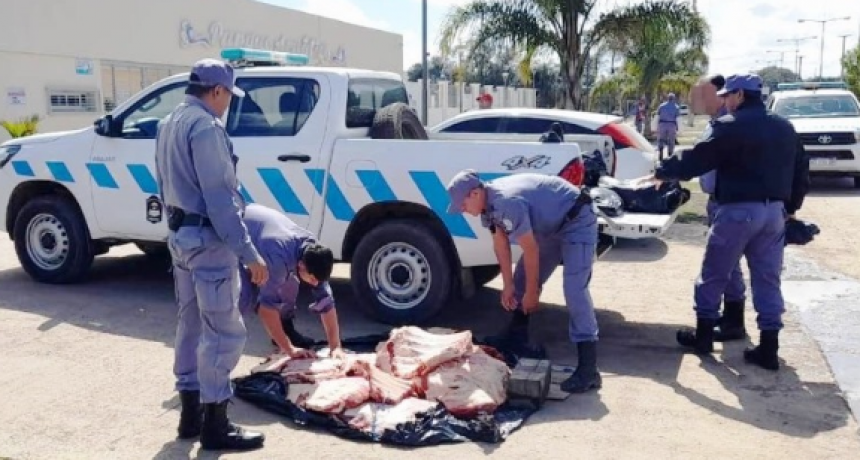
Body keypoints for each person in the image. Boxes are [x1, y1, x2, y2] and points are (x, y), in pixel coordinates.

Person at [633, 74, 810, 371]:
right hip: (773, 214)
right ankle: (769, 348)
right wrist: (791, 209)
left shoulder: (729, 125)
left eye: (727, 96)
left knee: (715, 273)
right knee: (767, 280)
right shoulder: (784, 127)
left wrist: (664, 172)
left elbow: (698, 158)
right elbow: (801, 170)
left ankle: (703, 338)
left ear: (740, 95)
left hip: (737, 211)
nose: (724, 101)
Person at [154, 58, 268, 451]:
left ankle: (190, 417)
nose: (228, 104)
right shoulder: (206, 127)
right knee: (222, 332)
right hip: (207, 243)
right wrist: (249, 252)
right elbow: (221, 199)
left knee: (190, 325)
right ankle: (216, 427)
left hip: (180, 239)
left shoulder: (168, 123)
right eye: (228, 96)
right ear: (217, 90)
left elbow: (163, 183)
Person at [446, 170, 602, 393]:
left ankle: (588, 369)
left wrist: (531, 293)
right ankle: (517, 337)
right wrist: (508, 286)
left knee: (574, 289)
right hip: (551, 225)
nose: (462, 210)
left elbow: (530, 249)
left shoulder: (506, 203)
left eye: (462, 204)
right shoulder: (487, 205)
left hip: (577, 218)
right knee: (520, 281)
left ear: (475, 194)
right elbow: (500, 243)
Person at [236, 203, 344, 360]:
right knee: (243, 297)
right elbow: (266, 309)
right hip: (236, 233)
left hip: (263, 232)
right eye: (313, 279)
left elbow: (327, 303)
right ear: (301, 265)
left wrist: (335, 347)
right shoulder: (278, 260)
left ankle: (285, 328)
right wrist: (290, 350)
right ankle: (218, 336)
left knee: (290, 285)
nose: (315, 284)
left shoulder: (314, 252)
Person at [694, 74, 748, 343]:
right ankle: (730, 317)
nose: (700, 100)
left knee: (726, 263)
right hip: (717, 201)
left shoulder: (730, 126)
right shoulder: (715, 124)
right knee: (728, 263)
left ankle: (732, 321)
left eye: (705, 94)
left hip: (728, 202)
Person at [656, 93, 681, 160]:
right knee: (671, 140)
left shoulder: (661, 106)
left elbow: (657, 115)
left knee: (661, 139)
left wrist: (656, 126)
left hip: (662, 124)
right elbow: (678, 118)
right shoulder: (676, 107)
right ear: (673, 99)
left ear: (668, 98)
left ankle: (661, 151)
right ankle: (670, 154)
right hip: (672, 125)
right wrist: (678, 128)